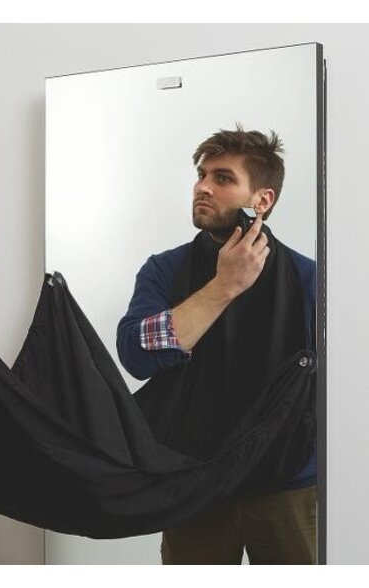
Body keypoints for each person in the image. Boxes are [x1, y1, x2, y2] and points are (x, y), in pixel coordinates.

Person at [117, 127, 317, 564]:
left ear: (262, 200)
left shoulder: (308, 279)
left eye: (223, 178)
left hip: (286, 482)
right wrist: (224, 286)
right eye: (202, 175)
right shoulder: (165, 269)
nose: (203, 187)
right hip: (194, 480)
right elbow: (135, 354)